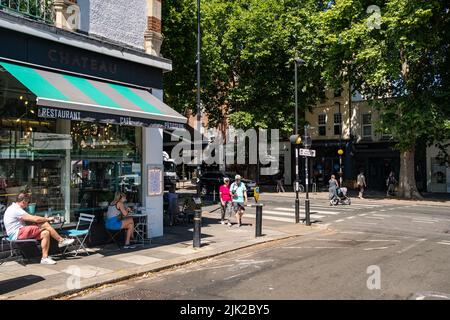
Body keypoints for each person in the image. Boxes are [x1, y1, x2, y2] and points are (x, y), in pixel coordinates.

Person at [3, 193, 74, 265]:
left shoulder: (14, 208)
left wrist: (37, 221)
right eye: (28, 202)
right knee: (45, 224)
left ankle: (44, 258)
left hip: (19, 232)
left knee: (45, 233)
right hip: (17, 233)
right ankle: (61, 240)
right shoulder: (16, 209)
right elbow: (35, 219)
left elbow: (31, 219)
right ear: (23, 201)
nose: (27, 204)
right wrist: (47, 219)